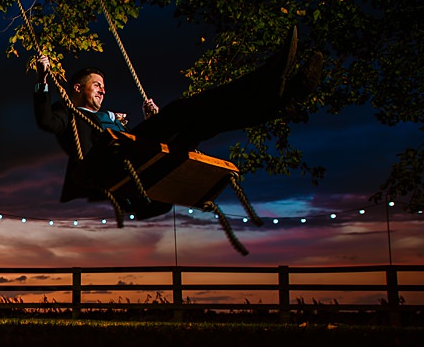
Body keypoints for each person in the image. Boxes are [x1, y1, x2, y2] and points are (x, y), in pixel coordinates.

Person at [33, 25, 322, 218]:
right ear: (77, 89)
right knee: (183, 111)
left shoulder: (112, 118)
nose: (103, 89)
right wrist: (41, 79)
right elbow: (46, 121)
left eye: (103, 85)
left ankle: (282, 102)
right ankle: (266, 81)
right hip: (112, 167)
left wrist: (152, 123)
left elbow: (135, 140)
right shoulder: (70, 114)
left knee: (203, 123)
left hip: (138, 155)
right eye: (96, 84)